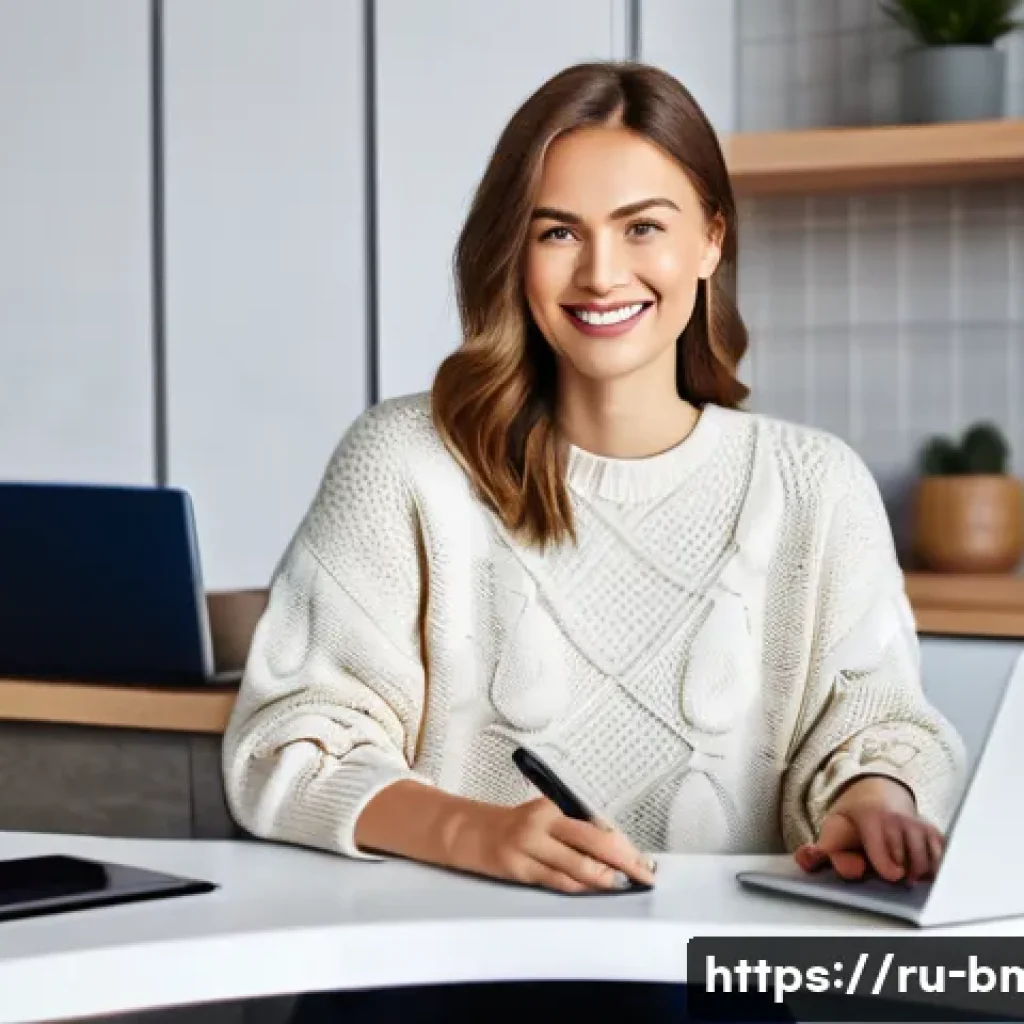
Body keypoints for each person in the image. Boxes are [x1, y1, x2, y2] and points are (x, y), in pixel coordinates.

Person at [222, 61, 965, 1022]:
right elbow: (287, 741)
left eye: (643, 227)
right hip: (433, 983)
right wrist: (473, 830)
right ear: (512, 255)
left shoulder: (814, 486)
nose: (602, 272)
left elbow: (878, 727)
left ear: (711, 242)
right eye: (558, 232)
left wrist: (872, 801)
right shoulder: (404, 462)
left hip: (707, 995)